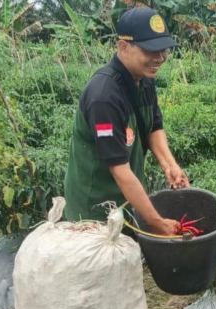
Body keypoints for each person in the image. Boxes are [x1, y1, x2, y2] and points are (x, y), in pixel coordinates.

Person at [64, 7, 188, 235]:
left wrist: (169, 164)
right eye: (151, 51)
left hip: (126, 200)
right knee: (98, 266)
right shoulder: (104, 97)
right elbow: (119, 169)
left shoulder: (144, 79)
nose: (159, 58)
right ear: (123, 47)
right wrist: (157, 223)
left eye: (163, 50)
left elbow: (154, 126)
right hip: (95, 211)